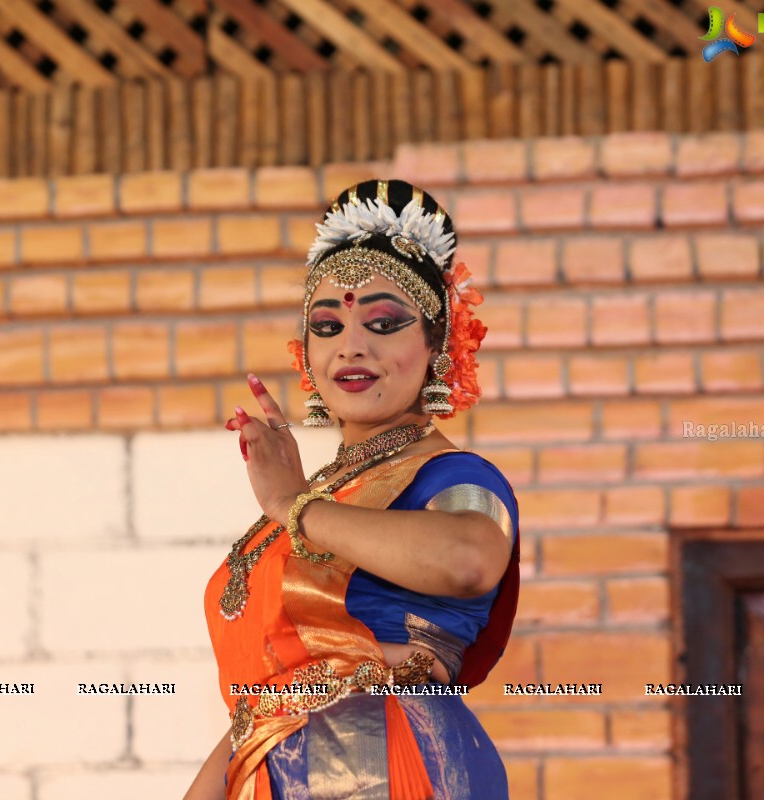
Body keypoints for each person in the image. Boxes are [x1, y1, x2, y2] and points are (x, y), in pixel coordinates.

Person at [184, 179, 520, 800]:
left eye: (385, 322)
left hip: (391, 764)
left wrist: (293, 506)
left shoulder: (452, 477)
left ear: (437, 347)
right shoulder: (320, 498)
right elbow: (262, 702)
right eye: (328, 325)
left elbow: (470, 559)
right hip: (273, 771)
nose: (352, 345)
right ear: (307, 354)